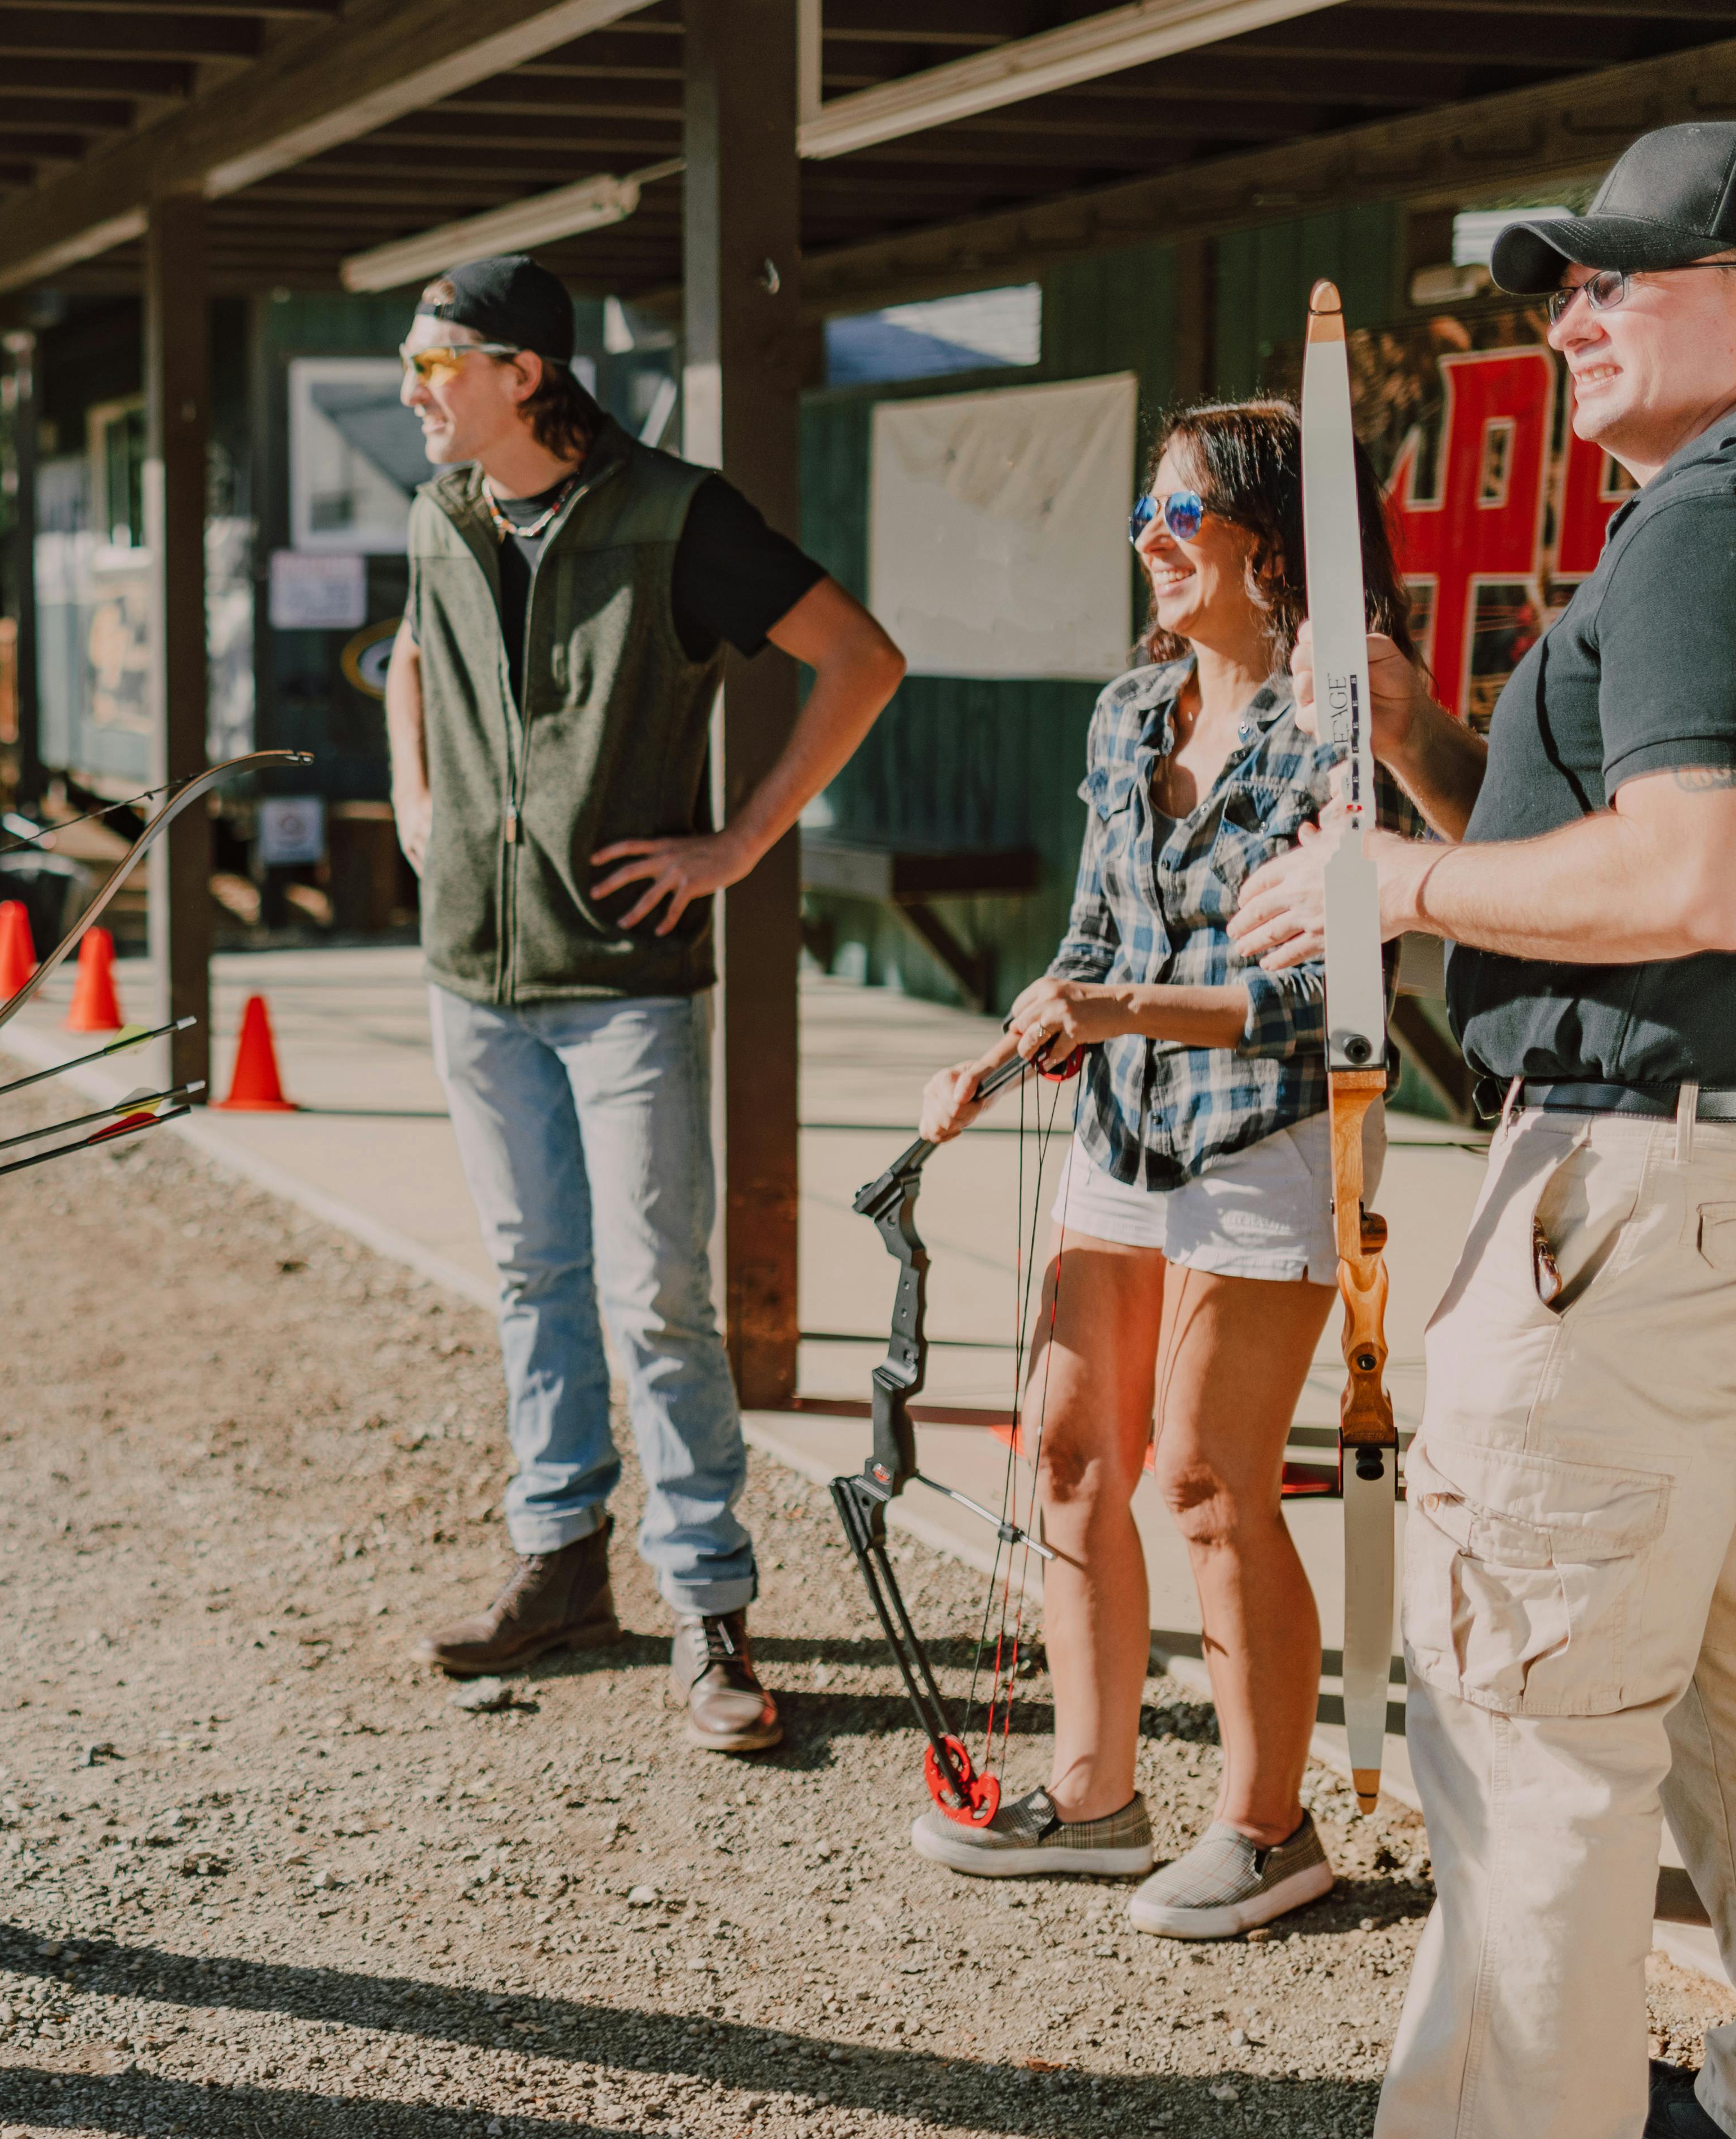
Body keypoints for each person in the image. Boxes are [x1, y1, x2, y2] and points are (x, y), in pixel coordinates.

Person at [1232, 122, 1736, 2139]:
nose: (1572, 313)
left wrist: (1397, 895)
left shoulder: (1705, 518)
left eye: (1623, 273)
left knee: (1530, 1763)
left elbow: (1697, 874)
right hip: (1696, 1193)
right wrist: (1432, 756)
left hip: (1628, 1199)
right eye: (1560, 284)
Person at [902, 403, 1414, 1940]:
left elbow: (1331, 992)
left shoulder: (1341, 728)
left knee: (1204, 1481)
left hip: (1274, 1138)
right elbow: (1090, 939)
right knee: (1064, 1451)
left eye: (1180, 515)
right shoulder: (1127, 713)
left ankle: (1269, 1829)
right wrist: (1001, 1057)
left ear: (1270, 548)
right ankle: (1094, 1790)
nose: (1151, 538)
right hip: (1119, 1129)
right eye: (1148, 510)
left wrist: (1118, 1007)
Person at [384, 254, 907, 1751]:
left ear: (522, 373)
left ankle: (709, 1611)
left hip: (621, 982)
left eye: (434, 366)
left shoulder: (680, 517)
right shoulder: (442, 513)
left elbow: (862, 661)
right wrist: (418, 796)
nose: (413, 394)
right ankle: (558, 1572)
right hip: (469, 978)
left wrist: (739, 845)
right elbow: (411, 655)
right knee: (530, 1277)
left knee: (658, 1301)